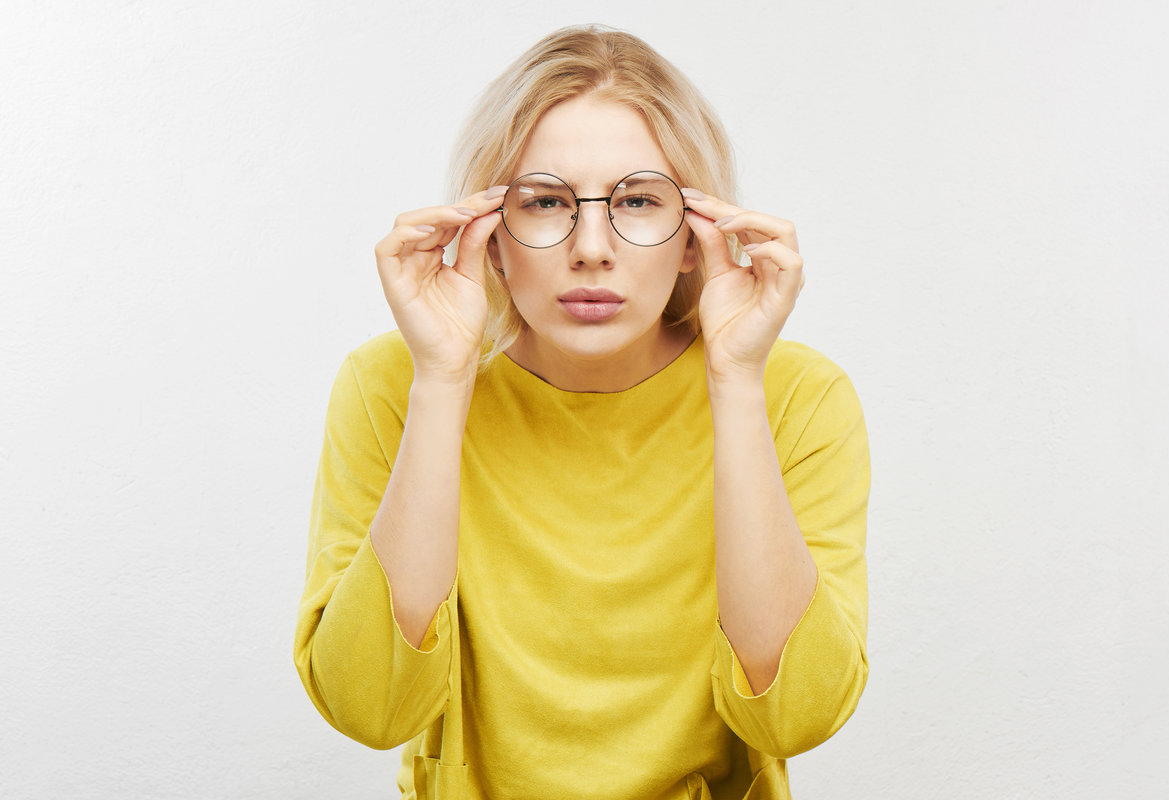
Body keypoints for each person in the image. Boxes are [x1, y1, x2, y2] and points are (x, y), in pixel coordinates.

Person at [294, 24, 870, 800]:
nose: (592, 246)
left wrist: (735, 381)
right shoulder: (392, 381)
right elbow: (371, 709)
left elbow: (793, 719)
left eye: (636, 200)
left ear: (697, 237)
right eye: (545, 202)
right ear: (491, 235)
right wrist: (441, 380)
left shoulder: (797, 396)